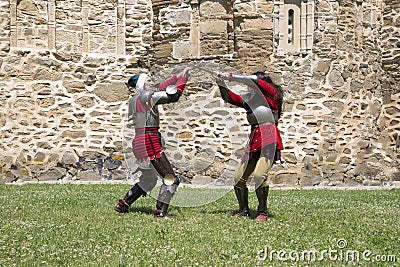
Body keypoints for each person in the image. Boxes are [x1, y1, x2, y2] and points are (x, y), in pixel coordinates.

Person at [115, 67, 190, 218]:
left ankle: (123, 204)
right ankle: (160, 212)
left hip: (141, 141)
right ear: (142, 85)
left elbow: (161, 87)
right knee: (171, 179)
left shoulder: (137, 97)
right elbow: (173, 95)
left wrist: (177, 76)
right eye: (148, 80)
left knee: (148, 180)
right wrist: (183, 79)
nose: (152, 82)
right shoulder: (146, 96)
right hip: (149, 141)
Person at [215, 71, 284, 222]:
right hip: (254, 139)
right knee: (238, 178)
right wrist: (221, 82)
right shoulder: (251, 100)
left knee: (259, 176)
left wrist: (230, 76)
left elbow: (255, 81)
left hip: (269, 139)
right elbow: (229, 98)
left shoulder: (272, 95)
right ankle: (243, 209)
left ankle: (262, 212)